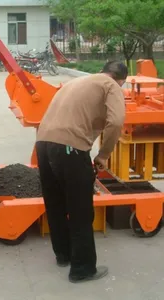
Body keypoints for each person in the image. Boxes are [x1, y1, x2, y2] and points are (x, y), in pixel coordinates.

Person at [35, 61, 128, 283]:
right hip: (70, 147)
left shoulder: (75, 81)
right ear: (120, 79)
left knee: (55, 204)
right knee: (80, 210)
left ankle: (63, 255)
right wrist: (103, 155)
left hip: (43, 144)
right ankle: (83, 269)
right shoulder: (111, 85)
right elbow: (116, 122)